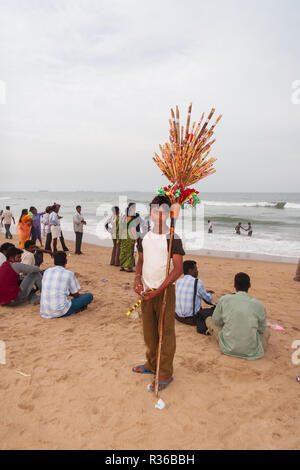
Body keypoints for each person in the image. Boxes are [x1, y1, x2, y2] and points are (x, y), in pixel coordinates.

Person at [132, 195, 185, 392]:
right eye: (155, 211)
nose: (158, 215)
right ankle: (151, 364)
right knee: (149, 332)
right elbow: (140, 261)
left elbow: (178, 269)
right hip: (146, 292)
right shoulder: (144, 237)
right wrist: (137, 278)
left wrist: (159, 291)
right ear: (151, 212)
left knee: (166, 333)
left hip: (164, 293)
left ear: (168, 214)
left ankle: (164, 372)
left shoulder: (173, 239)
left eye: (163, 212)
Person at [205, 272, 270, 360]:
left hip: (227, 347)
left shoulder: (224, 299)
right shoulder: (259, 304)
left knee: (209, 320)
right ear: (249, 285)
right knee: (266, 332)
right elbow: (261, 329)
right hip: (251, 351)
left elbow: (216, 321)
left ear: (235, 285)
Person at [40, 251, 93, 319]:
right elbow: (75, 294)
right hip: (60, 311)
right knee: (89, 296)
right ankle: (76, 309)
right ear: (66, 261)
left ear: (54, 262)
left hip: (44, 310)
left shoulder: (47, 271)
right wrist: (80, 296)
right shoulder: (69, 274)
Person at [175, 260, 214, 326]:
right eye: (195, 269)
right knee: (213, 311)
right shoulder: (197, 282)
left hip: (178, 317)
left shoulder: (179, 281)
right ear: (190, 270)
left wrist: (203, 291)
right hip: (191, 319)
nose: (197, 271)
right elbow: (209, 300)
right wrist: (210, 294)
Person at [119, 203, 137, 272]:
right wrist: (135, 238)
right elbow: (133, 230)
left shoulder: (123, 218)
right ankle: (129, 267)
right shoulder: (132, 219)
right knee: (130, 251)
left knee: (123, 250)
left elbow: (121, 227)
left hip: (123, 234)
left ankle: (122, 266)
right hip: (129, 235)